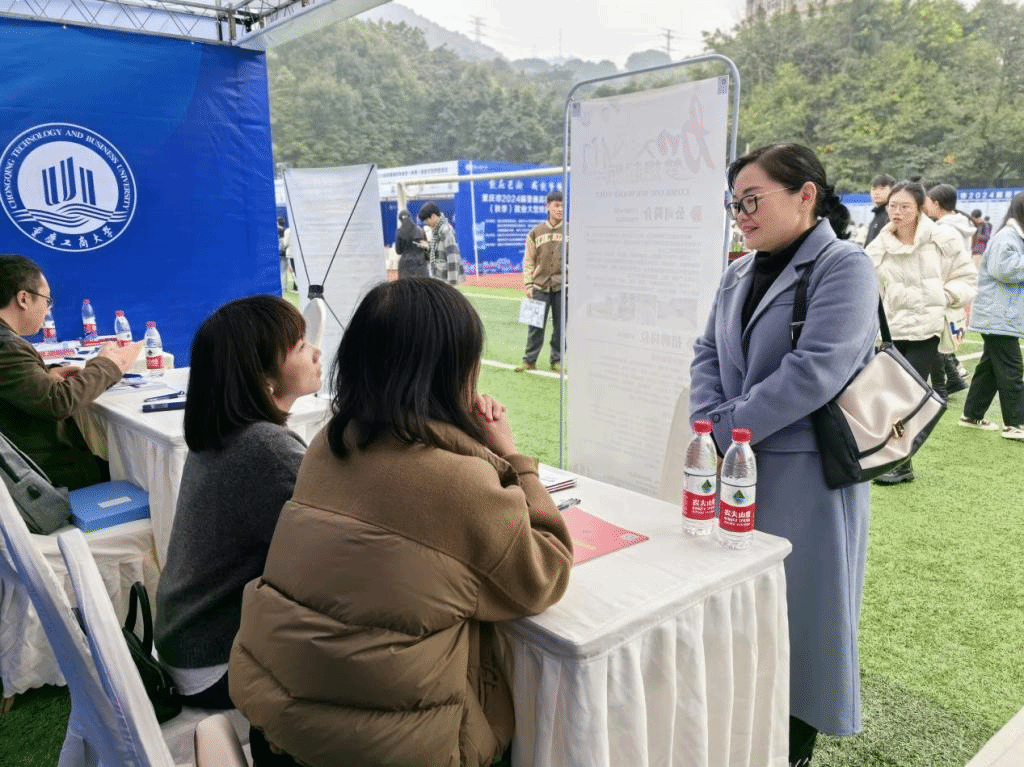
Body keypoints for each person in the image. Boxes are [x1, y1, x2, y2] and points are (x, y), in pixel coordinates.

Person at [229, 277, 573, 767]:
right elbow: (545, 574)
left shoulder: (329, 445)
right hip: (391, 753)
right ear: (454, 372)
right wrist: (513, 459)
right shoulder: (460, 483)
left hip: (279, 734)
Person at [690, 144, 879, 767]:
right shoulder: (738, 271)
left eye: (752, 200)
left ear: (806, 196)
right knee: (739, 615)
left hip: (807, 476)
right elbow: (706, 352)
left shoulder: (844, 265)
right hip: (735, 470)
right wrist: (710, 424)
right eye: (734, 204)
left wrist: (725, 429)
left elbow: (815, 370)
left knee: (802, 622)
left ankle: (792, 747)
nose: (741, 215)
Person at [155, 295, 321, 709]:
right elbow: (333, 550)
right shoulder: (264, 448)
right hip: (215, 663)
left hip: (187, 643)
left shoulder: (226, 431)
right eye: (301, 346)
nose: (316, 352)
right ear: (263, 377)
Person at [865, 179, 977, 484]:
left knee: (907, 397)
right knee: (890, 398)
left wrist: (944, 296)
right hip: (890, 331)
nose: (897, 212)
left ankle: (901, 461)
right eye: (893, 206)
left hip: (929, 329)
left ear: (919, 208)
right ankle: (898, 459)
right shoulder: (879, 245)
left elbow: (967, 278)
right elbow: (866, 287)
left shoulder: (942, 238)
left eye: (905, 206)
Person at [0, 254, 142, 490]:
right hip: (45, 477)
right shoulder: (7, 347)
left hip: (27, 467)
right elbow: (58, 401)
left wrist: (47, 374)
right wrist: (108, 365)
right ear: (23, 299)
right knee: (139, 471)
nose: (47, 309)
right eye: (47, 300)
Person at [959, 191, 1024, 440]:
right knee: (1011, 368)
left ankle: (971, 415)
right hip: (998, 316)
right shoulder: (1008, 236)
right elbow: (1003, 270)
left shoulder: (1013, 236)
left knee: (990, 369)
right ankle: (1016, 423)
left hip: (1000, 316)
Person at [924, 183, 975, 397]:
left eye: (927, 201)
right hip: (955, 285)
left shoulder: (944, 229)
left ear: (936, 204)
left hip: (944, 286)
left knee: (933, 337)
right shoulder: (961, 224)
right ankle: (951, 379)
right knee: (939, 336)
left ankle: (943, 385)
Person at [515, 190, 566, 373]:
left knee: (561, 327)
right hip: (539, 286)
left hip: (563, 287)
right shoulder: (535, 233)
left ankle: (557, 360)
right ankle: (529, 360)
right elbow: (529, 260)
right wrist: (528, 284)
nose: (560, 209)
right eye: (557, 205)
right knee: (535, 326)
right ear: (548, 207)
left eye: (563, 206)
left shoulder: (571, 231)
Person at [418, 202, 464, 285]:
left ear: (433, 216)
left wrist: (452, 283)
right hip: (439, 277)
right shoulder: (436, 230)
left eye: (426, 220)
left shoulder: (446, 230)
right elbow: (436, 255)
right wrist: (428, 247)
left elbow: (452, 257)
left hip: (445, 280)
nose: (426, 223)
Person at [394, 208, 429, 278]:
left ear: (400, 220)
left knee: (406, 285)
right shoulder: (421, 231)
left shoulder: (399, 232)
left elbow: (398, 251)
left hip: (405, 266)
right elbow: (426, 249)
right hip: (420, 265)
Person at [865, 173, 895, 245]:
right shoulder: (878, 214)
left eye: (882, 189)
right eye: (874, 189)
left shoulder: (894, 215)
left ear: (893, 191)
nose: (876, 193)